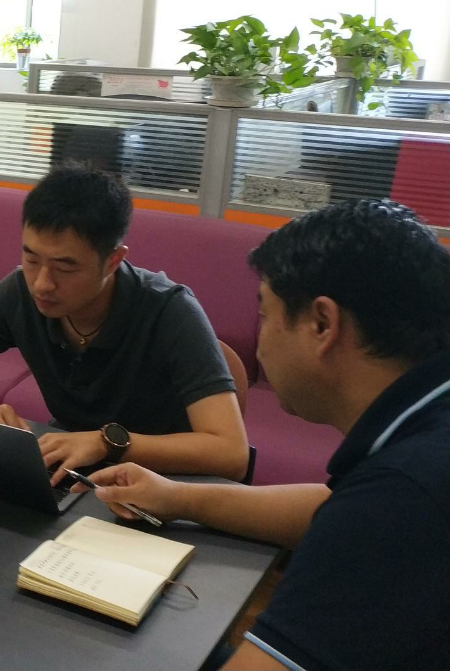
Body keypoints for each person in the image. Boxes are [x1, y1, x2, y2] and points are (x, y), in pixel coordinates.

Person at [79, 200, 450, 671]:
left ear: (322, 324)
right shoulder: (420, 437)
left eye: (265, 315)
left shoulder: (404, 494)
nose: (260, 345)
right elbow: (333, 507)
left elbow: (371, 517)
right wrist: (177, 497)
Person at [0, 166, 249, 483]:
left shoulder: (170, 311)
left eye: (65, 268)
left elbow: (231, 453)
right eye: (31, 259)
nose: (42, 284)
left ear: (113, 261)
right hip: (73, 471)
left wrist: (107, 443)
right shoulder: (20, 292)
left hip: (163, 484)